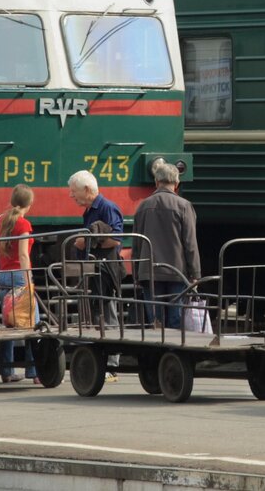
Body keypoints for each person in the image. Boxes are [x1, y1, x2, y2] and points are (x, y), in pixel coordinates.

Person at [68, 169, 123, 379]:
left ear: (87, 189)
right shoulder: (89, 210)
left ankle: (112, 364)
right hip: (93, 268)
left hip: (106, 268)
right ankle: (100, 359)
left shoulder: (108, 208)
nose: (71, 196)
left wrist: (87, 241)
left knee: (108, 310)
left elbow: (118, 239)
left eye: (74, 191)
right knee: (96, 312)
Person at [134, 160, 201, 329]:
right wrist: (195, 274)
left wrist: (137, 273)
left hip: (149, 272)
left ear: (156, 182)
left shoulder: (143, 206)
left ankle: (156, 353)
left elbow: (137, 243)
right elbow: (190, 243)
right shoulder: (184, 206)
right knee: (175, 320)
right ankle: (173, 354)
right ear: (177, 183)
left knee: (155, 321)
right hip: (177, 272)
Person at [0, 184, 41, 383]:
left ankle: (6, 371)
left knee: (9, 325)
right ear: (29, 203)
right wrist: (28, 277)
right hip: (18, 276)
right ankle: (35, 372)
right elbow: (22, 253)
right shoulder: (23, 224)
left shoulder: (1, 222)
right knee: (33, 324)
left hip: (3, 275)